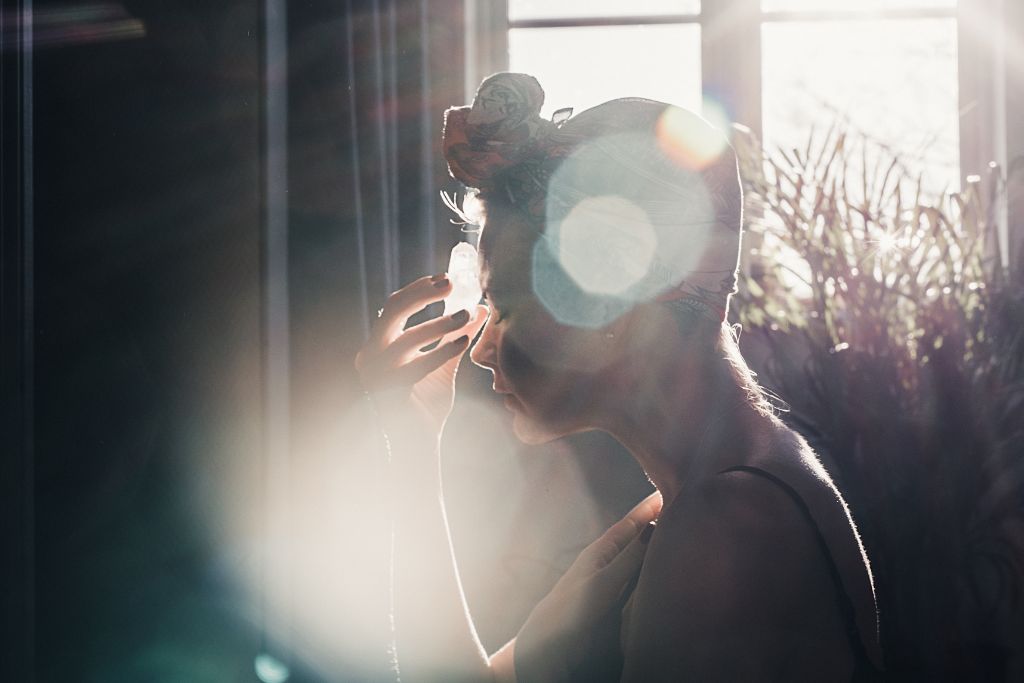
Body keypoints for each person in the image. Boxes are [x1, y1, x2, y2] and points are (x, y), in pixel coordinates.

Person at [355, 72, 884, 682]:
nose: (480, 350)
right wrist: (416, 443)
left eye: (504, 310)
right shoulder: (686, 504)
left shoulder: (726, 531)